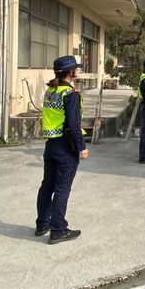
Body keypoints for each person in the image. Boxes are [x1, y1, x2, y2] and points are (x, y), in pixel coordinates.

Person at [35, 55, 89, 244]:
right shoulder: (71, 94)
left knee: (47, 185)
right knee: (62, 189)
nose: (79, 70)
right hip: (66, 147)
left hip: (50, 145)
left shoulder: (51, 90)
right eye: (77, 68)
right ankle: (58, 230)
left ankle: (42, 224)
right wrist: (81, 147)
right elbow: (74, 125)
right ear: (71, 72)